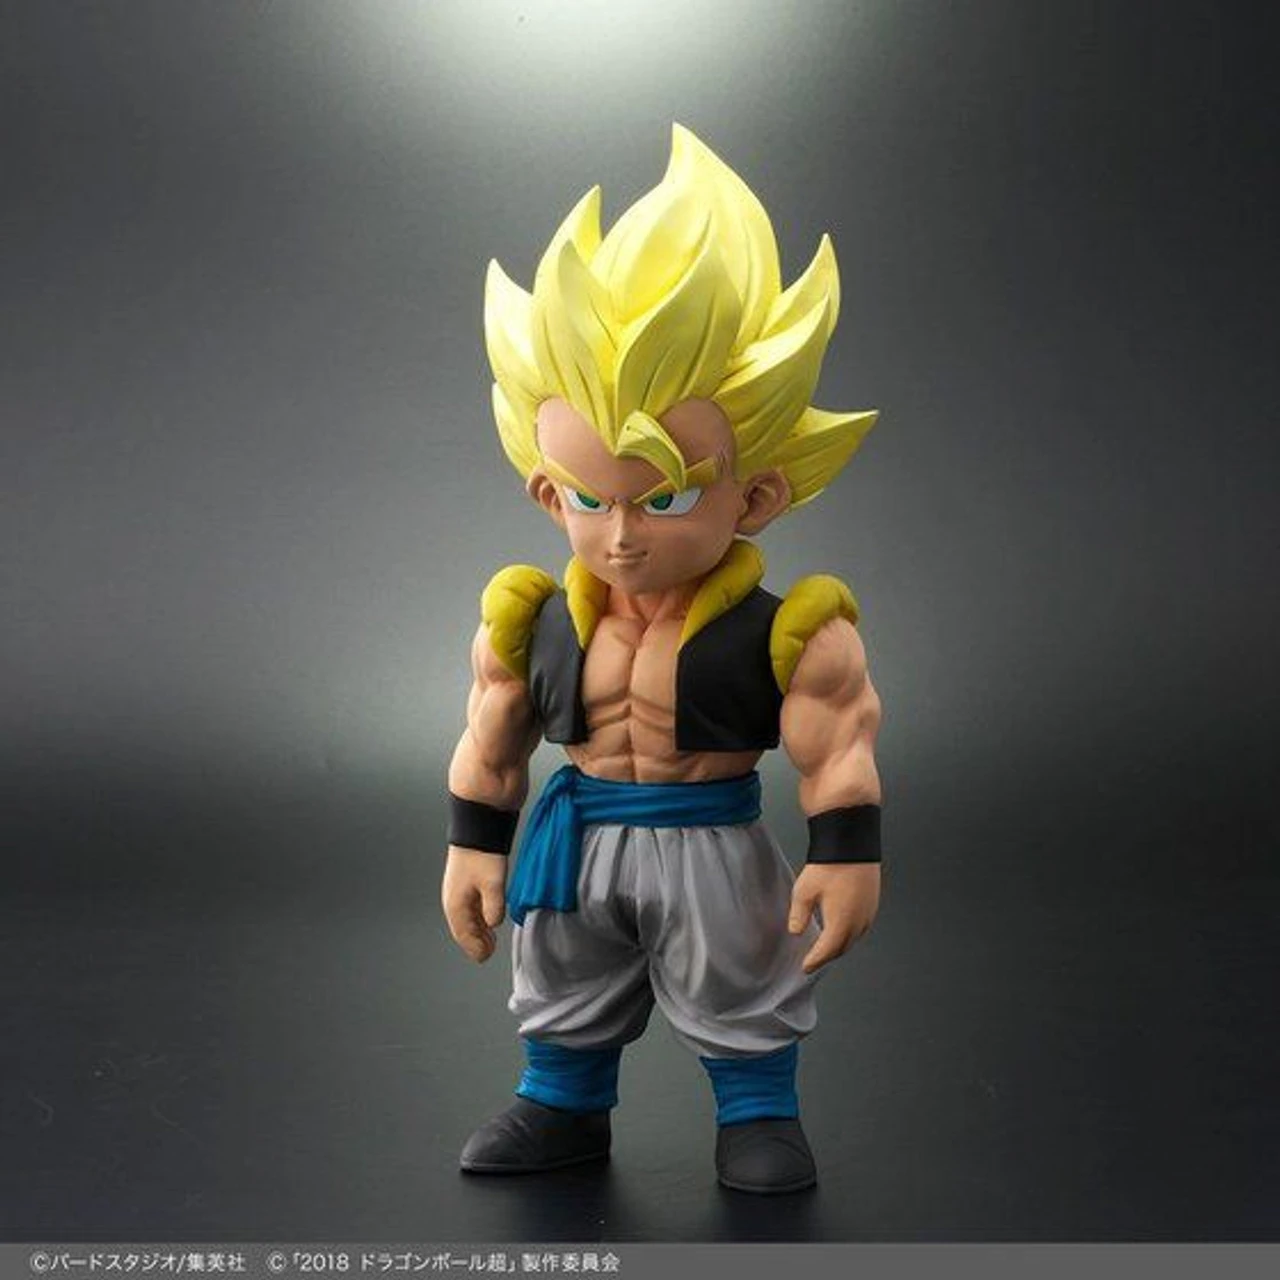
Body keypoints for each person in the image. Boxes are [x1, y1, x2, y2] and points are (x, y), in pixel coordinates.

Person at [442, 124, 884, 1194]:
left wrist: (846, 854)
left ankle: (757, 1113)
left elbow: (836, 749)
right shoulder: (526, 617)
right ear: (545, 488)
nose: (622, 533)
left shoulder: (794, 629)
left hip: (711, 838)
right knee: (561, 970)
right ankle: (560, 1103)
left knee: (740, 973)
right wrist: (473, 845)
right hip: (578, 835)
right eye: (588, 497)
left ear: (756, 494)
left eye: (667, 496)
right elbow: (492, 740)